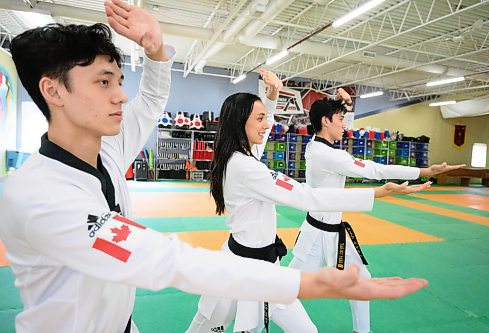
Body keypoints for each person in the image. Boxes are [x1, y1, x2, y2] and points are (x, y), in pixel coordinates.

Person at [0, 2, 429, 331]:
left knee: (210, 319)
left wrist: (155, 50)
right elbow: (162, 257)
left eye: (118, 80)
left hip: (126, 321)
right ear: (53, 91)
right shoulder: (39, 196)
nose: (120, 96)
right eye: (102, 82)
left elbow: (150, 101)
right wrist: (309, 284)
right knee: (216, 315)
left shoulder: (106, 151)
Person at [186, 71, 431, 333]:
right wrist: (377, 193)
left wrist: (273, 95)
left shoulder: (240, 154)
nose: (267, 124)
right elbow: (306, 196)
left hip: (268, 267)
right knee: (209, 325)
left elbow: (261, 135)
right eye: (260, 119)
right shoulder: (246, 167)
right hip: (241, 268)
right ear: (240, 123)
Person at [289, 89, 465, 333]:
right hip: (316, 235)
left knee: (362, 279)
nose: (345, 126)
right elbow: (375, 170)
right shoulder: (328, 155)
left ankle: (363, 331)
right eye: (341, 120)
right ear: (325, 121)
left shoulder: (316, 146)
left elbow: (328, 116)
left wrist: (342, 102)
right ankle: (253, 324)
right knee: (287, 289)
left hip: (335, 231)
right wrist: (424, 171)